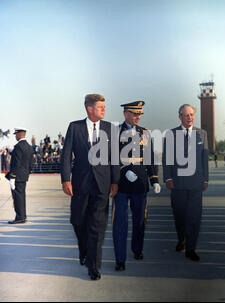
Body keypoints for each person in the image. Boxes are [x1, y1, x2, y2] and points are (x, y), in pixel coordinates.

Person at [60, 94, 120, 281]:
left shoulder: (110, 129)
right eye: (100, 106)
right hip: (80, 184)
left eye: (104, 106)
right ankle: (84, 250)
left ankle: (93, 266)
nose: (104, 109)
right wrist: (65, 179)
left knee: (97, 226)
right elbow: (66, 155)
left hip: (102, 184)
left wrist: (115, 181)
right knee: (77, 221)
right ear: (89, 108)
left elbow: (115, 157)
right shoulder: (75, 127)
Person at [112, 101, 160, 271]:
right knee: (120, 223)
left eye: (140, 114)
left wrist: (154, 179)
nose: (138, 117)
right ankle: (120, 259)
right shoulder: (115, 132)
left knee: (140, 221)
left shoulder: (145, 133)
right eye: (134, 114)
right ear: (126, 114)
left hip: (140, 185)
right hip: (122, 186)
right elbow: (110, 158)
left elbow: (150, 159)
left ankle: (137, 249)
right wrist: (124, 171)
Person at [163, 104, 209, 261]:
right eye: (186, 115)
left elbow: (204, 158)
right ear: (180, 116)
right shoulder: (171, 134)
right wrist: (168, 178)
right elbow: (167, 158)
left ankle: (191, 249)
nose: (189, 117)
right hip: (178, 184)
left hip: (196, 183)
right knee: (180, 215)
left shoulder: (202, 134)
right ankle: (181, 239)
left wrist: (206, 179)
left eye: (191, 114)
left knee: (194, 217)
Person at [5, 127, 33, 224]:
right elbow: (31, 164)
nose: (15, 136)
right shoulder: (29, 147)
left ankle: (19, 217)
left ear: (19, 134)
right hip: (24, 176)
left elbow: (15, 164)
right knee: (21, 196)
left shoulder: (18, 147)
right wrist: (26, 173)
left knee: (17, 197)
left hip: (17, 176)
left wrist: (12, 177)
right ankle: (23, 216)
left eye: (16, 134)